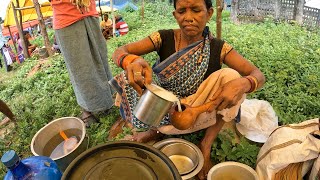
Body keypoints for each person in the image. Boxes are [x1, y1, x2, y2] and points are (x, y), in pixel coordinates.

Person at [110, 0, 265, 179]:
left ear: (209, 14)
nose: (188, 18)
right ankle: (154, 130)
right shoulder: (163, 38)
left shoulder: (218, 48)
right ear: (175, 15)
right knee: (128, 76)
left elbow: (257, 75)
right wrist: (132, 61)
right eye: (182, 11)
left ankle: (205, 144)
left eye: (196, 10)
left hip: (198, 107)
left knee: (233, 78)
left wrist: (245, 83)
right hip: (163, 107)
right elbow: (120, 50)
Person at [50, 0, 114, 126]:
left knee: (101, 61)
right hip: (67, 21)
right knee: (80, 70)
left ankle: (106, 101)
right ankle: (87, 109)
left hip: (90, 16)